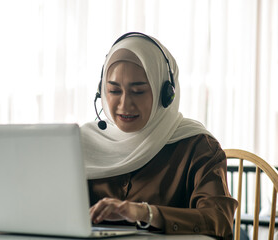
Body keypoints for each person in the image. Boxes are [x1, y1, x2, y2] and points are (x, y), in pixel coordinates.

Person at [80, 32, 238, 239]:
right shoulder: (83, 143)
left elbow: (219, 220)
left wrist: (146, 213)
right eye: (114, 91)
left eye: (138, 91)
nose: (124, 105)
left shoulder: (197, 147)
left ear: (166, 94)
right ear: (102, 91)